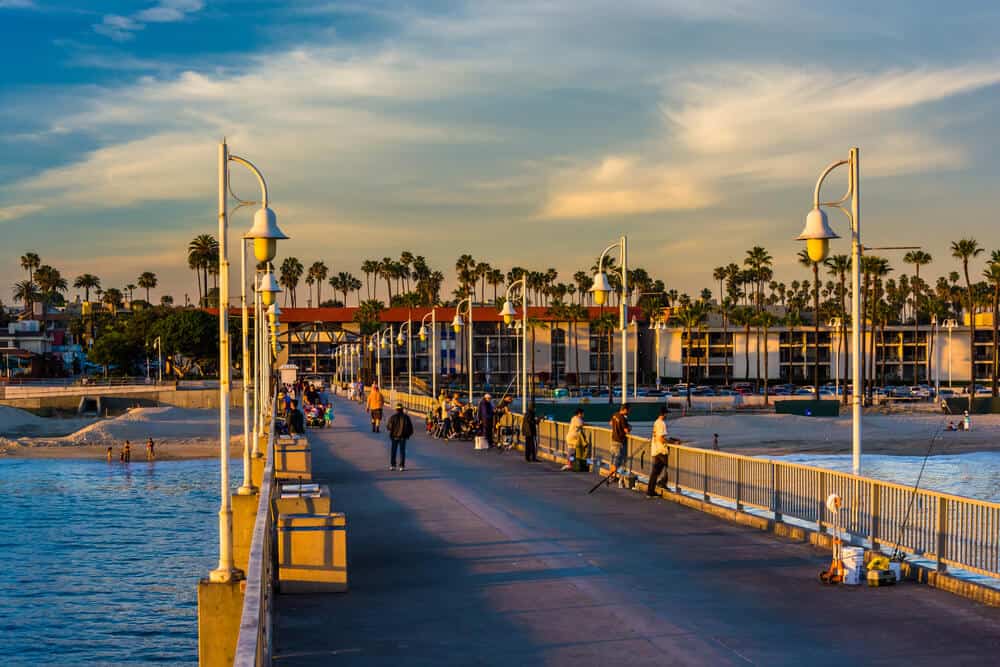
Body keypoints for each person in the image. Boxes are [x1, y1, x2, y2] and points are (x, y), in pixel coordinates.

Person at [647, 407, 670, 497]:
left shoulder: (656, 422)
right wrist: (669, 442)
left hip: (655, 449)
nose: (667, 415)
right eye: (666, 414)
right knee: (669, 469)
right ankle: (662, 484)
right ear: (664, 414)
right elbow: (661, 438)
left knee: (655, 472)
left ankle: (650, 491)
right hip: (661, 450)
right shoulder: (662, 423)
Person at [609, 404, 632, 486]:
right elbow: (626, 431)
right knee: (617, 462)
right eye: (628, 410)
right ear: (625, 409)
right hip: (619, 442)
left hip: (613, 441)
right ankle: (611, 478)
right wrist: (630, 428)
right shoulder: (623, 418)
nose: (629, 412)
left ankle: (611, 477)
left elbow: (610, 423)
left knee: (612, 460)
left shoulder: (615, 415)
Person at [387, 402, 414, 471]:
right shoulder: (406, 417)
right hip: (403, 437)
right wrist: (408, 435)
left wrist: (390, 430)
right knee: (402, 451)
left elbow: (389, 427)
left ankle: (393, 465)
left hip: (394, 436)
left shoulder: (392, 417)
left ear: (396, 409)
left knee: (393, 451)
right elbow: (410, 428)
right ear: (402, 409)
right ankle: (402, 466)